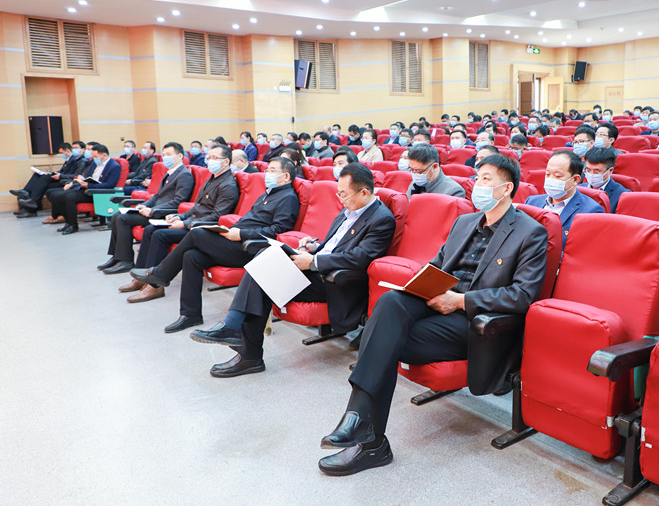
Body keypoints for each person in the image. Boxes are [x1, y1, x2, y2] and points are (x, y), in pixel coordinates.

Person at [317, 154, 548, 476]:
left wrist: (461, 301)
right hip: (437, 304)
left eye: (485, 179)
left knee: (381, 339)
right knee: (390, 302)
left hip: (473, 322)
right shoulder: (465, 222)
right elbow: (437, 266)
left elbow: (522, 295)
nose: (477, 185)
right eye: (477, 178)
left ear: (506, 188)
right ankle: (363, 429)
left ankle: (364, 431)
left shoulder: (530, 232)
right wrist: (419, 287)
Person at [190, 163, 397, 377]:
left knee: (263, 274)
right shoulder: (349, 210)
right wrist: (315, 247)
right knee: (264, 262)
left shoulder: (381, 219)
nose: (340, 198)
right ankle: (242, 343)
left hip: (335, 282)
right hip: (317, 270)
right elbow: (335, 245)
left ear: (364, 192)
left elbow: (359, 258)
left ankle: (243, 344)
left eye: (344, 194)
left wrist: (314, 261)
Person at [130, 157, 299, 332]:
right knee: (191, 256)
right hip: (235, 239)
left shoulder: (288, 198)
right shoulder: (268, 194)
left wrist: (241, 234)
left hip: (251, 248)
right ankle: (190, 314)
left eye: (272, 171)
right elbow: (250, 221)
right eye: (267, 170)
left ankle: (161, 274)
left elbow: (278, 231)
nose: (267, 174)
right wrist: (229, 230)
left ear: (286, 176)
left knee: (196, 233)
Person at [119, 144, 240, 301]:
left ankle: (154, 286)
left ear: (226, 161)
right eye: (209, 157)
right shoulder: (212, 179)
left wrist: (185, 223)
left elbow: (217, 216)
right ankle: (141, 278)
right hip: (193, 221)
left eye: (215, 158)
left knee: (160, 235)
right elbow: (197, 207)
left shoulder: (228, 185)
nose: (210, 161)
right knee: (150, 229)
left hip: (202, 228)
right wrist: (180, 216)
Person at [98, 142, 195, 274]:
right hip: (154, 210)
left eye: (169, 154)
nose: (165, 157)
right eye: (164, 154)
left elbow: (179, 201)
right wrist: (145, 205)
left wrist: (152, 210)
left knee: (123, 219)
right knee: (116, 215)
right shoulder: (170, 173)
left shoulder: (184, 175)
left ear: (179, 156)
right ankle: (117, 256)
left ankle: (126, 261)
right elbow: (158, 196)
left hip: (163, 213)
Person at [524, 150, 603, 244]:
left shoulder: (591, 211)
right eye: (548, 174)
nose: (551, 180)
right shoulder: (532, 202)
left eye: (558, 176)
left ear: (575, 179)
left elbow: (581, 249)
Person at [47, 143, 122, 235]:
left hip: (97, 193)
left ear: (104, 155)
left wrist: (88, 185)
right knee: (56, 195)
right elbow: (88, 176)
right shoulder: (95, 163)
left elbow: (109, 185)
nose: (94, 159)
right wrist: (82, 179)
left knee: (70, 197)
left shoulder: (114, 166)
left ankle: (73, 225)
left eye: (96, 156)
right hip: (87, 188)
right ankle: (68, 222)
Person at [13, 142, 87, 218]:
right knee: (38, 176)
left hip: (67, 181)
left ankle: (31, 204)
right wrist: (56, 173)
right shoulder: (73, 159)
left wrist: (60, 176)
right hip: (63, 178)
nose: (74, 150)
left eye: (76, 148)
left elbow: (76, 175)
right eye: (73, 148)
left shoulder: (82, 161)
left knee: (43, 182)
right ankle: (26, 194)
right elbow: (64, 171)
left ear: (83, 149)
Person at [580, 147, 630, 213]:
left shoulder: (622, 195)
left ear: (610, 171)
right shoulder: (579, 189)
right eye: (588, 170)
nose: (591, 174)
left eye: (597, 172)